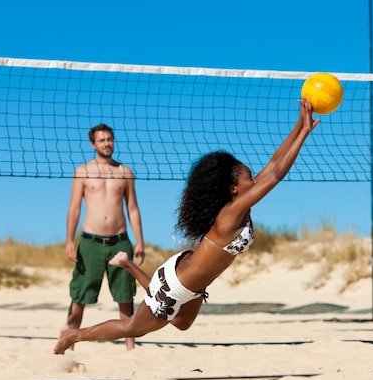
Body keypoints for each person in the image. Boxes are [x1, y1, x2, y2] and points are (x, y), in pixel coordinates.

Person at [54, 99, 319, 354]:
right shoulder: (230, 213)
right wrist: (305, 133)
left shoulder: (238, 204)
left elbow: (273, 164)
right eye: (250, 177)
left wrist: (299, 125)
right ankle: (73, 335)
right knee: (133, 327)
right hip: (178, 284)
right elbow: (276, 175)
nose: (255, 179)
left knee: (182, 323)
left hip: (189, 281)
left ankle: (130, 266)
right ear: (233, 188)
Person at [63, 123, 145, 351]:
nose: (106, 144)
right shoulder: (82, 171)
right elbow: (74, 209)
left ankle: (131, 348)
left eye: (109, 139)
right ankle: (69, 340)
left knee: (125, 296)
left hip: (120, 240)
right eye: (102, 140)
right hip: (90, 242)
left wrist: (140, 241)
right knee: (80, 295)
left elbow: (133, 209)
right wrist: (70, 240)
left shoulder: (125, 172)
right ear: (93, 144)